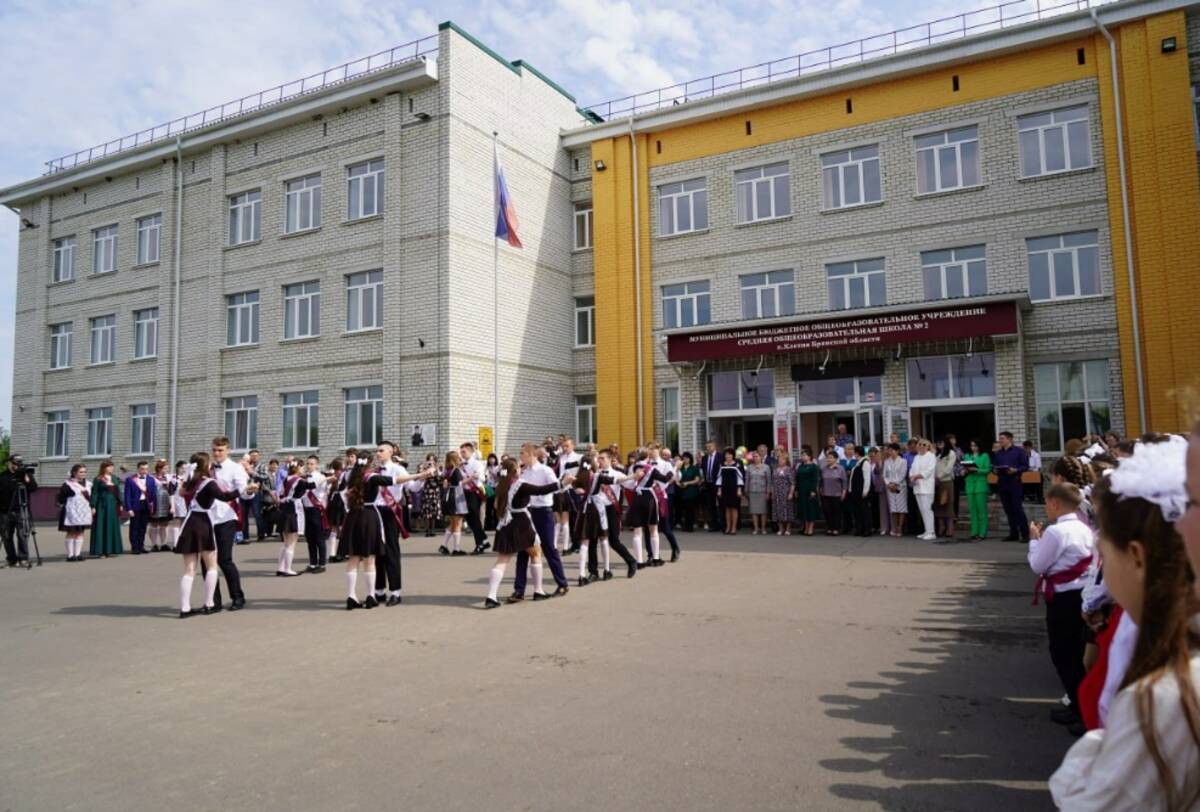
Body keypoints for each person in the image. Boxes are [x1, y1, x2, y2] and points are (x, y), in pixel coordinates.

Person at [1050, 435, 1200, 808]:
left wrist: (1105, 745)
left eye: (1104, 548)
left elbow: (1095, 801)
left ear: (1136, 556)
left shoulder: (1162, 697)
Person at [1029, 482, 1095, 735]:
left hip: (1063, 597)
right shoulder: (1084, 528)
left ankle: (1081, 707)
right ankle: (1078, 704)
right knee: (1075, 652)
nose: (1046, 508)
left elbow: (1038, 565)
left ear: (1055, 503)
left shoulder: (1057, 532)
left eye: (1047, 503)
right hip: (1079, 593)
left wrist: (1034, 541)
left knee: (1063, 653)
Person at [484, 458, 572, 607]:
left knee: (502, 560)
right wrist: (562, 483)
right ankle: (538, 591)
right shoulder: (520, 485)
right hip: (521, 523)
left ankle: (491, 596)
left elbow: (497, 506)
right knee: (536, 553)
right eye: (519, 467)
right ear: (515, 471)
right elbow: (541, 490)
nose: (521, 469)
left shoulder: (501, 485)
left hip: (506, 523)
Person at [173, 452, 243, 618]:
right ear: (205, 465)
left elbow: (181, 494)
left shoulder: (188, 483)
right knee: (211, 566)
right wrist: (242, 490)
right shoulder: (208, 482)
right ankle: (210, 602)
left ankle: (185, 608)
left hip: (188, 524)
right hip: (203, 523)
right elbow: (225, 496)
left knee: (189, 570)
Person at [509, 443, 571, 601]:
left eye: (522, 453)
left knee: (549, 548)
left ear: (532, 454)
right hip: (528, 512)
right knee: (523, 550)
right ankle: (519, 590)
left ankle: (562, 584)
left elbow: (558, 488)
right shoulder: (524, 472)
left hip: (544, 512)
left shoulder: (545, 470)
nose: (520, 456)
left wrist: (564, 483)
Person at [205, 436, 257, 612]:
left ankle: (237, 597)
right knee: (207, 562)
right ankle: (213, 601)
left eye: (220, 450)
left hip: (226, 517)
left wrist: (249, 491)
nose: (216, 453)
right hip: (206, 518)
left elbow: (243, 491)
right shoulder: (207, 468)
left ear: (227, 450)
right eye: (214, 450)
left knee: (224, 559)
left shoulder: (235, 468)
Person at [573, 450, 638, 582]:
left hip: (610, 509)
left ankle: (631, 561)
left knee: (614, 541)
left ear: (610, 459)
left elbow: (631, 486)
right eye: (599, 458)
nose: (600, 460)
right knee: (592, 540)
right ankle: (593, 571)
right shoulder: (594, 474)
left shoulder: (617, 473)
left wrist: (635, 477)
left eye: (602, 458)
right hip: (595, 510)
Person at [0, 454, 37, 567]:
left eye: (19, 464)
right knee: (6, 536)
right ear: (9, 463)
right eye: (15, 463)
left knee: (23, 535)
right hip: (4, 511)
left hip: (22, 509)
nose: (17, 466)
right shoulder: (2, 476)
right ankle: (12, 559)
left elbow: (33, 488)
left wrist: (26, 479)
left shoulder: (26, 474)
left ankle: (23, 558)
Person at [993, 431, 1030, 542]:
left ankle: (1025, 534)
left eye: (1002, 438)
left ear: (1010, 439)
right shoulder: (998, 453)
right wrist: (994, 470)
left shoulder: (1019, 451)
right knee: (1008, 510)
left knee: (1017, 508)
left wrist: (1016, 470)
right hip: (1002, 483)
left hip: (1015, 482)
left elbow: (1025, 466)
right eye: (1000, 439)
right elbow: (994, 466)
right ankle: (1013, 534)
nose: (1000, 441)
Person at [300, 455, 330, 573]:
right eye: (308, 463)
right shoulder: (304, 478)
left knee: (319, 538)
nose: (309, 466)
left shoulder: (321, 477)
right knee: (310, 538)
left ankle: (322, 564)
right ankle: (312, 563)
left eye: (312, 464)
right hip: (306, 509)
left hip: (317, 509)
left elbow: (323, 493)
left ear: (317, 465)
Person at [459, 442, 490, 555]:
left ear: (471, 452)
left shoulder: (477, 463)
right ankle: (484, 539)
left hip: (474, 492)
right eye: (461, 452)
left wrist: (476, 476)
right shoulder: (461, 465)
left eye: (464, 452)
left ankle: (480, 544)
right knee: (469, 518)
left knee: (474, 516)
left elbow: (482, 477)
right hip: (464, 492)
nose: (462, 454)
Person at [57, 464, 93, 561]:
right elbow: (61, 498)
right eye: (81, 472)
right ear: (74, 473)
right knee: (71, 533)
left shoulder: (89, 484)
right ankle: (70, 555)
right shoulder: (67, 484)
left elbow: (91, 497)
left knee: (80, 532)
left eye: (84, 472)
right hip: (71, 512)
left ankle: (77, 554)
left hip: (84, 512)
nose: (83, 474)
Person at [553, 437, 582, 554]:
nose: (565, 448)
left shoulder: (579, 457)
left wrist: (577, 483)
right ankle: (572, 544)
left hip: (574, 489)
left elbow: (582, 473)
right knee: (565, 519)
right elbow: (558, 472)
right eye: (563, 446)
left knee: (576, 517)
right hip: (563, 489)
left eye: (567, 446)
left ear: (573, 446)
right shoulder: (561, 458)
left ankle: (577, 544)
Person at [121, 460, 157, 555]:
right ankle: (135, 547)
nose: (144, 471)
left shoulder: (151, 479)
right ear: (138, 469)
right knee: (134, 527)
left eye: (146, 469)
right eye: (142, 469)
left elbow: (153, 495)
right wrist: (129, 508)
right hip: (135, 505)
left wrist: (154, 507)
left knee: (143, 527)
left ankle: (141, 546)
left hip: (146, 505)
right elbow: (127, 495)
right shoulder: (130, 480)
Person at [89, 460, 123, 557]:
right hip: (102, 505)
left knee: (112, 526)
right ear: (104, 468)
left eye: (112, 466)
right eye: (109, 466)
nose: (111, 468)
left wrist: (120, 503)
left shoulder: (115, 478)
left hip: (113, 505)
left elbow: (118, 491)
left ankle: (111, 549)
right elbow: (94, 493)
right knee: (102, 526)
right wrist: (93, 506)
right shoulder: (98, 479)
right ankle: (101, 551)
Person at [439, 450, 469, 556]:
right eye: (458, 457)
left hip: (449, 495)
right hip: (455, 496)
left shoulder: (448, 469)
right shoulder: (455, 470)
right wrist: (471, 478)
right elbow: (459, 484)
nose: (460, 458)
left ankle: (444, 545)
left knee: (453, 523)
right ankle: (456, 549)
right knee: (457, 523)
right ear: (455, 459)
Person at [962, 439, 992, 540]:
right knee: (972, 510)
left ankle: (982, 533)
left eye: (975, 446)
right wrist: (964, 471)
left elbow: (987, 469)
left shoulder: (984, 455)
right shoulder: (967, 456)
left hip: (980, 484)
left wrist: (977, 469)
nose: (973, 448)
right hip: (970, 484)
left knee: (981, 510)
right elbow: (964, 467)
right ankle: (974, 532)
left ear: (979, 446)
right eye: (971, 446)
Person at [909, 438, 937, 541]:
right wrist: (912, 476)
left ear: (928, 446)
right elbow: (912, 469)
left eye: (924, 444)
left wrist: (917, 476)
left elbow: (929, 470)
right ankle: (927, 530)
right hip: (917, 486)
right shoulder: (917, 457)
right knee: (922, 510)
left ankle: (931, 532)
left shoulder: (931, 456)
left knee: (927, 510)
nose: (921, 446)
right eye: (920, 444)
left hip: (927, 487)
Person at [846, 446, 873, 538]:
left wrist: (865, 491)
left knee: (864, 511)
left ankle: (867, 530)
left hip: (861, 492)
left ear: (857, 453)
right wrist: (850, 489)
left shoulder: (865, 463)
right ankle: (859, 529)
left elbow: (867, 478)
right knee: (857, 511)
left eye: (854, 452)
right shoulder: (857, 463)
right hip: (855, 492)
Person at [717, 447, 744, 536]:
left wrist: (739, 489)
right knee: (727, 508)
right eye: (726, 454)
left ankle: (733, 528)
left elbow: (740, 477)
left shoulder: (737, 464)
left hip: (734, 489)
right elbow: (719, 477)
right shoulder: (722, 464)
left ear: (733, 455)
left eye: (729, 454)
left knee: (734, 508)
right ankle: (728, 527)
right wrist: (719, 489)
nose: (728, 456)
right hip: (725, 489)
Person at [794, 447, 821, 536]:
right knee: (804, 509)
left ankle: (811, 528)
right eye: (802, 455)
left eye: (804, 455)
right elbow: (797, 479)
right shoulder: (800, 466)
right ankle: (805, 527)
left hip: (809, 490)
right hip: (801, 490)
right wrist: (796, 490)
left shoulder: (814, 466)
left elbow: (815, 480)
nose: (802, 457)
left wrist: (813, 490)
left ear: (809, 456)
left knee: (810, 509)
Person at [882, 443, 908, 537]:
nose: (890, 452)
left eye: (892, 450)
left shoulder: (903, 461)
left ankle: (900, 527)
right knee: (893, 508)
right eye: (889, 450)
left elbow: (902, 474)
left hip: (900, 487)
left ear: (897, 451)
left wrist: (894, 483)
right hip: (890, 487)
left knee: (901, 508)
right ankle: (895, 527)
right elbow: (884, 475)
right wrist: (888, 484)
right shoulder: (887, 461)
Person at [819, 450, 847, 536]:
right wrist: (820, 489)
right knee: (827, 512)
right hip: (825, 493)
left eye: (830, 458)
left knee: (836, 512)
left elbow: (844, 482)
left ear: (835, 459)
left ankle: (836, 528)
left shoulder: (840, 468)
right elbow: (821, 480)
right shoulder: (823, 468)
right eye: (827, 458)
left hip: (836, 494)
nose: (828, 459)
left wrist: (844, 492)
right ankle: (829, 528)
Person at [933, 442, 957, 541]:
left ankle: (950, 528)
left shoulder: (951, 453)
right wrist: (935, 477)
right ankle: (941, 527)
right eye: (938, 442)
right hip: (937, 482)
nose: (939, 444)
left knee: (948, 504)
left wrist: (939, 476)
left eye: (942, 442)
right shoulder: (937, 454)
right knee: (939, 505)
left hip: (947, 481)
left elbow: (949, 468)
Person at [148, 460, 173, 551]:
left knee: (164, 523)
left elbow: (172, 490)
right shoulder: (151, 477)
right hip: (155, 503)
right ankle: (154, 544)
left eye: (167, 468)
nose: (167, 470)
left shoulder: (168, 477)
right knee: (154, 524)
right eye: (165, 468)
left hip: (166, 502)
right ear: (159, 468)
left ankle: (164, 544)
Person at [744, 451, 771, 535]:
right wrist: (746, 490)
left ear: (761, 457)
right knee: (754, 511)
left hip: (763, 491)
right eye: (754, 456)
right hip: (752, 491)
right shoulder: (749, 467)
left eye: (757, 456)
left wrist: (768, 492)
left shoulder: (766, 467)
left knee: (763, 511)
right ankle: (756, 528)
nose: (755, 458)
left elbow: (769, 481)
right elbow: (747, 479)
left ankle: (763, 528)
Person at [700, 440, 723, 532]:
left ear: (714, 446)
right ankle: (714, 525)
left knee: (721, 504)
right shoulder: (705, 458)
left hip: (718, 484)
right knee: (711, 505)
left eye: (710, 446)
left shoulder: (720, 457)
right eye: (707, 447)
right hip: (708, 484)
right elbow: (703, 470)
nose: (708, 448)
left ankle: (723, 524)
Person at [771, 450, 796, 536]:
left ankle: (788, 529)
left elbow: (792, 483)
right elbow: (773, 482)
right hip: (777, 493)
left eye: (782, 459)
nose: (780, 461)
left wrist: (791, 493)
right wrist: (772, 492)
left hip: (786, 493)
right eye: (779, 459)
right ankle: (780, 528)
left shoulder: (789, 469)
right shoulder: (775, 470)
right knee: (777, 511)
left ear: (786, 460)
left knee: (788, 510)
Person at [676, 452, 702, 532]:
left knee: (690, 509)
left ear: (690, 459)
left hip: (691, 491)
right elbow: (676, 477)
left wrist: (687, 483)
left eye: (687, 458)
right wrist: (678, 483)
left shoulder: (694, 468)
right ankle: (685, 525)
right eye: (684, 458)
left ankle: (690, 526)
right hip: (682, 491)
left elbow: (697, 480)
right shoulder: (681, 468)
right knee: (684, 509)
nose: (685, 460)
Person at [418, 453, 442, 538]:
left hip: (435, 492)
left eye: (432, 460)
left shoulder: (437, 469)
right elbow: (420, 478)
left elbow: (440, 480)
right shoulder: (425, 469)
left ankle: (433, 530)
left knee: (434, 511)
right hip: (427, 492)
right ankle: (427, 530)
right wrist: (425, 471)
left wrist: (436, 471)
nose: (431, 462)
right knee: (427, 511)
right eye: (429, 460)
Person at [869, 447, 889, 536]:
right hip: (876, 488)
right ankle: (880, 526)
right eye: (870, 455)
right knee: (878, 508)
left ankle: (889, 527)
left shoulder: (885, 462)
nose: (872, 457)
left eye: (874, 455)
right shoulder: (870, 463)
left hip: (886, 486)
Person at [484, 452, 500, 531]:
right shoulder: (486, 467)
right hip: (489, 487)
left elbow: (499, 477)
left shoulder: (499, 467)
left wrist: (493, 473)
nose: (491, 460)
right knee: (489, 507)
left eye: (493, 459)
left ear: (495, 459)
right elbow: (484, 477)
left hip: (496, 487)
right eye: (490, 459)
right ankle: (488, 526)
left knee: (496, 507)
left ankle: (496, 525)